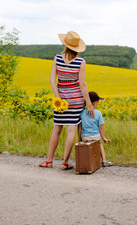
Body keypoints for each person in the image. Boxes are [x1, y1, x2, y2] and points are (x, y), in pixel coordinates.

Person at [39, 31, 94, 170]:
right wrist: (89, 103)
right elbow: (82, 84)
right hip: (76, 101)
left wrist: (58, 97)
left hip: (61, 101)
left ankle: (49, 161)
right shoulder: (81, 62)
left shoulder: (57, 58)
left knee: (56, 129)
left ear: (65, 44)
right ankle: (64, 162)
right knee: (71, 130)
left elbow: (52, 79)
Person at [78, 91, 112, 167]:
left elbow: (79, 127)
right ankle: (104, 160)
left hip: (85, 137)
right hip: (95, 136)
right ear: (94, 103)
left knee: (86, 148)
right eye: (97, 102)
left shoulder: (82, 113)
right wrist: (103, 137)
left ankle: (87, 162)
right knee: (100, 145)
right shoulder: (98, 113)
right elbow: (101, 127)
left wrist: (79, 138)